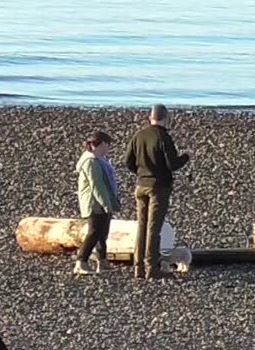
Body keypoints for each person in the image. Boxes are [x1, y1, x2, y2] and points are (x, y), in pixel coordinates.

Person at [124, 104, 189, 280]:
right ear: (166, 119)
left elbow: (128, 161)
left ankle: (138, 268)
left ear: (149, 117)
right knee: (154, 229)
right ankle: (151, 268)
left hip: (141, 185)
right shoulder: (163, 137)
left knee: (142, 227)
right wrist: (185, 158)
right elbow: (172, 164)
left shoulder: (139, 136)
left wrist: (141, 172)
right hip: (158, 187)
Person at [73, 130, 119, 276]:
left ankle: (102, 261)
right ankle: (81, 261)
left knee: (102, 234)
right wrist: (106, 204)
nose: (107, 148)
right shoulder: (91, 162)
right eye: (106, 145)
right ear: (96, 145)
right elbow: (97, 185)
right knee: (94, 233)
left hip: (102, 202)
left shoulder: (100, 160)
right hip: (94, 204)